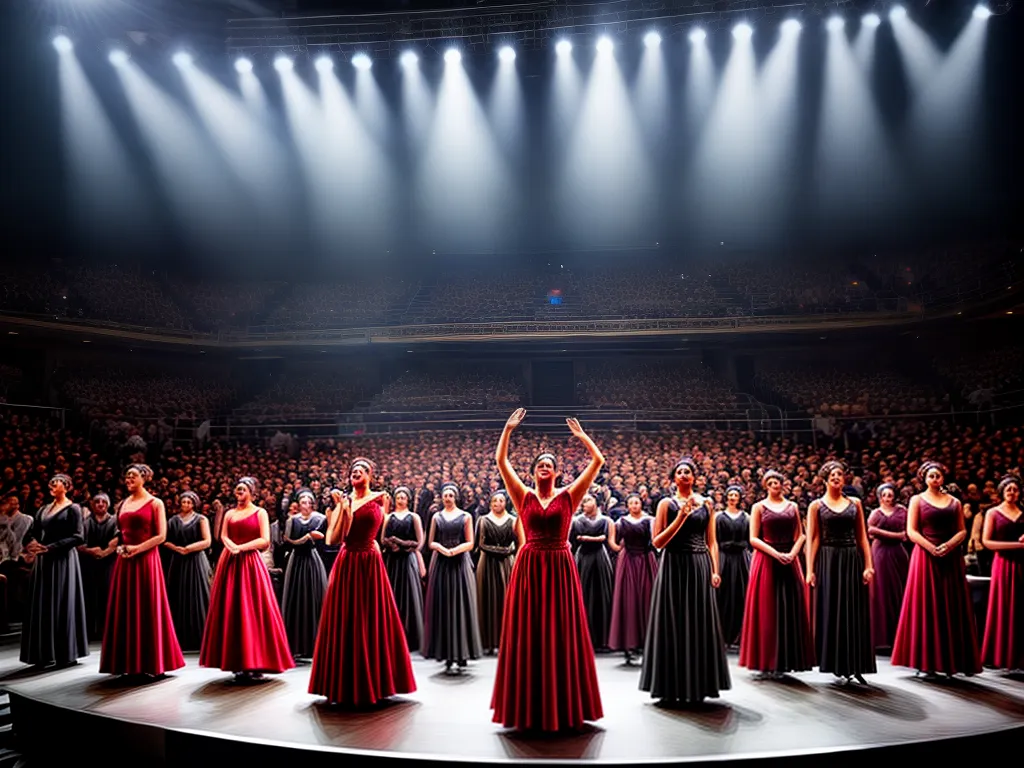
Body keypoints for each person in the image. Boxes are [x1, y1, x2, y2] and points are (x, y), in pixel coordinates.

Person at [491, 409, 605, 732]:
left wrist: (583, 438)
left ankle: (565, 702)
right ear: (533, 471)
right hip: (529, 566)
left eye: (550, 465)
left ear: (557, 472)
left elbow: (598, 462)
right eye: (540, 464)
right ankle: (528, 703)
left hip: (559, 566)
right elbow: (501, 462)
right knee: (529, 631)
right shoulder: (522, 495)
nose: (545, 467)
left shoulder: (570, 495)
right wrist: (508, 430)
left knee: (560, 630)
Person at [309, 458, 416, 706]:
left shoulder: (382, 497)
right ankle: (345, 681)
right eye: (352, 472)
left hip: (369, 562)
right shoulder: (344, 502)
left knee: (371, 619)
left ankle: (377, 680)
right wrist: (343, 509)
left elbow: (377, 528)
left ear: (370, 475)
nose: (355, 474)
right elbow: (333, 540)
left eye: (360, 471)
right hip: (348, 562)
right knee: (345, 620)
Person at [640, 458, 730, 703]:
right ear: (673, 478)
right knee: (672, 622)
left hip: (699, 565)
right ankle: (670, 686)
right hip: (673, 566)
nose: (684, 475)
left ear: (694, 477)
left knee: (699, 623)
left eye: (688, 471)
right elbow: (657, 542)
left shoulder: (707, 504)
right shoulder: (665, 504)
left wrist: (715, 569)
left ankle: (699, 684)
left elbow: (712, 541)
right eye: (679, 472)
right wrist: (680, 517)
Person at [891, 461, 981, 678]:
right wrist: (931, 547)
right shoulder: (916, 500)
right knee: (926, 606)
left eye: (938, 475)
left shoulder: (955, 502)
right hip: (925, 556)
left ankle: (952, 660)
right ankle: (926, 662)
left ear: (943, 477)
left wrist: (949, 546)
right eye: (931, 476)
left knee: (950, 605)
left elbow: (962, 531)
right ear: (925, 478)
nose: (935, 479)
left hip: (950, 557)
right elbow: (911, 531)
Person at [200, 476, 294, 682]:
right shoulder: (230, 513)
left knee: (252, 609)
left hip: (250, 563)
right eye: (237, 489)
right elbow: (222, 536)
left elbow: (264, 540)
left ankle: (256, 660)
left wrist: (240, 547)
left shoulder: (259, 512)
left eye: (243, 489)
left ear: (252, 492)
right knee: (231, 610)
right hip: (230, 562)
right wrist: (230, 546)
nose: (238, 492)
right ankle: (237, 661)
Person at [100, 465, 185, 677]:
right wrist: (119, 547)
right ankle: (127, 662)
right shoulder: (122, 504)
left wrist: (137, 549)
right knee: (126, 608)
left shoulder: (156, 503)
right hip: (125, 559)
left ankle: (151, 662)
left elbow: (161, 536)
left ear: (144, 478)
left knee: (147, 607)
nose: (128, 478)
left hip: (146, 559)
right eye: (127, 475)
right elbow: (121, 533)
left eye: (133, 475)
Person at [739, 470, 815, 679]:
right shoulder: (758, 507)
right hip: (766, 560)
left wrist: (792, 553)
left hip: (789, 559)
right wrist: (775, 554)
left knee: (790, 607)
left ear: (782, 484)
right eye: (770, 482)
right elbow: (753, 538)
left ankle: (787, 658)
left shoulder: (792, 507)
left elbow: (800, 535)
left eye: (777, 481)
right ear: (765, 486)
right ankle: (767, 659)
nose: (774, 485)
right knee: (767, 609)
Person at [805, 461, 876, 684]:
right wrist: (810, 569)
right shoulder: (816, 505)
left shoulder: (855, 502)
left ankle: (855, 664)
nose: (837, 477)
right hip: (828, 559)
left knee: (854, 610)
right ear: (825, 480)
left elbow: (862, 536)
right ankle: (837, 663)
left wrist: (868, 564)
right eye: (832, 474)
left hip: (851, 557)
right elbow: (814, 538)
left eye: (840, 474)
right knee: (832, 611)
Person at [20, 474, 89, 668]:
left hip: (63, 560)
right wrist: (32, 543)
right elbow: (31, 531)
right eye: (50, 482)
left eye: (55, 482)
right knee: (43, 603)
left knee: (61, 602)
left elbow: (78, 536)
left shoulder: (73, 508)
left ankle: (65, 653)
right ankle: (43, 653)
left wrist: (51, 547)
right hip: (44, 560)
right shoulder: (43, 508)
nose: (51, 485)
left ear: (66, 486)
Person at [423, 482, 482, 673]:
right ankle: (446, 653)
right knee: (444, 606)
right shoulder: (436, 517)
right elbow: (430, 541)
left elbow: (471, 542)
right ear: (441, 497)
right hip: (441, 563)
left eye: (450, 494)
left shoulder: (466, 516)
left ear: (455, 497)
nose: (447, 497)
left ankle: (462, 652)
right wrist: (442, 549)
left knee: (461, 604)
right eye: (445, 495)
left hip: (459, 563)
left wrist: (455, 550)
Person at [608, 493, 657, 666]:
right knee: (629, 601)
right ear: (627, 505)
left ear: (641, 504)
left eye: (637, 502)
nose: (634, 505)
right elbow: (613, 543)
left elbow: (656, 541)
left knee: (648, 599)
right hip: (628, 560)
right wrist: (621, 551)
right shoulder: (620, 522)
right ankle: (629, 645)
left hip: (646, 560)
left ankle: (647, 644)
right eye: (631, 503)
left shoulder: (650, 520)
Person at [980, 475, 1023, 671]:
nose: (1012, 493)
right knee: (1003, 606)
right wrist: (1017, 545)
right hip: (1003, 564)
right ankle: (1000, 655)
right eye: (1009, 490)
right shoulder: (992, 513)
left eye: (1015, 489)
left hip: (1022, 564)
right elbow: (987, 542)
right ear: (1002, 492)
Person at [281, 488, 328, 661]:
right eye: (303, 502)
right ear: (298, 504)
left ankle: (315, 642)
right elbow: (289, 541)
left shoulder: (320, 518)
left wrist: (308, 539)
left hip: (312, 560)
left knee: (314, 597)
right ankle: (295, 643)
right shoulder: (292, 520)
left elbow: (325, 539)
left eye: (309, 502)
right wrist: (307, 537)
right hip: (297, 560)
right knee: (296, 598)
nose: (306, 505)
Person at [163, 490, 212, 652]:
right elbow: (165, 540)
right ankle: (179, 638)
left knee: (198, 594)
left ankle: (201, 637)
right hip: (178, 560)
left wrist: (188, 549)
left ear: (194, 503)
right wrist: (177, 548)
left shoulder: (201, 519)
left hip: (196, 560)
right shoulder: (173, 520)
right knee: (178, 595)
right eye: (183, 502)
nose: (186, 505)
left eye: (189, 502)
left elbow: (207, 541)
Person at [475, 490, 521, 656]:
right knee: (487, 600)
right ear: (490, 503)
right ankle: (487, 641)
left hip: (507, 563)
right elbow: (480, 544)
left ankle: (507, 640)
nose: (498, 504)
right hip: (487, 563)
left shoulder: (514, 520)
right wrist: (503, 550)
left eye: (501, 501)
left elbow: (519, 543)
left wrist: (511, 551)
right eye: (495, 501)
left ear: (505, 503)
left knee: (506, 599)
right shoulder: (483, 520)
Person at [381, 486, 425, 653]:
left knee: (409, 594)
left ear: (408, 500)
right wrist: (391, 545)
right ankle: (392, 635)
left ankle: (410, 637)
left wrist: (401, 543)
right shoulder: (389, 517)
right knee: (393, 593)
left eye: (403, 497)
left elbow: (419, 542)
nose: (400, 500)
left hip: (407, 559)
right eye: (398, 497)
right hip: (392, 560)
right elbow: (383, 538)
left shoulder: (414, 517)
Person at [867, 483, 909, 651]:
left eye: (890, 494)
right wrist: (896, 536)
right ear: (879, 496)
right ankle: (881, 637)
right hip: (880, 554)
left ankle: (899, 635)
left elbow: (907, 533)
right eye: (884, 495)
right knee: (881, 591)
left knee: (899, 590)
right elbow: (870, 531)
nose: (887, 498)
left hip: (898, 554)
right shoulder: (875, 513)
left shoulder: (902, 511)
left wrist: (894, 536)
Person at [571, 494, 615, 652]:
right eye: (583, 501)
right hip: (583, 559)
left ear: (597, 503)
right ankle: (581, 638)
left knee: (602, 596)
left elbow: (608, 541)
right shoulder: (576, 521)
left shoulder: (605, 521)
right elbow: (573, 542)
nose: (584, 503)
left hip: (600, 559)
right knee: (582, 595)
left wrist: (587, 538)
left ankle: (603, 638)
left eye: (588, 500)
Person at [78, 492, 119, 642]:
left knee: (107, 595)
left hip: (109, 563)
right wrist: (90, 551)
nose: (100, 504)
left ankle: (107, 631)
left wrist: (104, 553)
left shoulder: (114, 521)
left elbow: (117, 540)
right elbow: (78, 542)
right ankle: (89, 631)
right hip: (89, 563)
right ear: (92, 505)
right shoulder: (85, 522)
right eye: (97, 501)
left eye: (103, 501)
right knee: (89, 596)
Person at [715, 485, 751, 648]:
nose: (732, 497)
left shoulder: (747, 517)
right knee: (722, 596)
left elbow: (750, 541)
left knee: (741, 595)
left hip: (742, 559)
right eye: (730, 494)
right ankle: (721, 635)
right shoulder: (718, 517)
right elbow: (714, 540)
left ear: (740, 498)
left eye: (735, 494)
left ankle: (740, 636)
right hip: (724, 558)